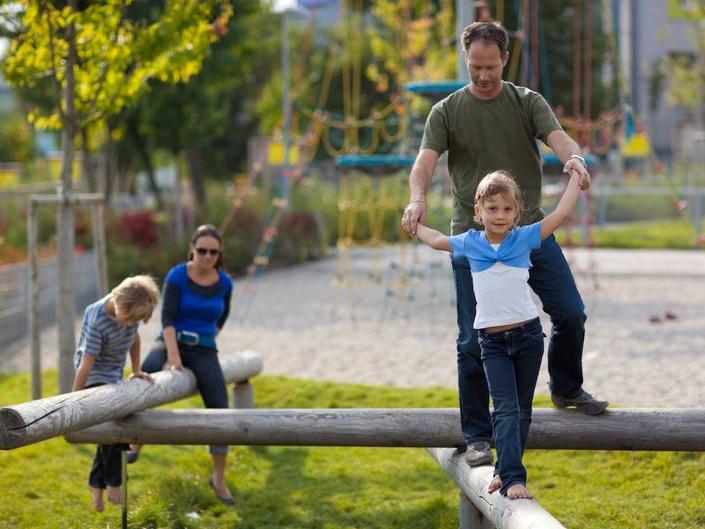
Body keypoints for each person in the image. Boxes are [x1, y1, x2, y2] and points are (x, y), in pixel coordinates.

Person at [401, 19, 608, 468]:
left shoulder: (526, 102)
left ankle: (567, 386)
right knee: (470, 341)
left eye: (490, 66)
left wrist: (573, 158)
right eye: (475, 66)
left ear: (505, 60)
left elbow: (560, 139)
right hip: (475, 242)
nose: (482, 75)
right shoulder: (447, 111)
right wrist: (417, 200)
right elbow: (424, 163)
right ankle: (477, 434)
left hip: (528, 232)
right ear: (466, 59)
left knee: (570, 313)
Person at [415, 169, 586, 499]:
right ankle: (513, 477)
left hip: (528, 338)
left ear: (516, 213)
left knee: (521, 411)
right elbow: (437, 240)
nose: (499, 215)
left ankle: (505, 470)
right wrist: (414, 221)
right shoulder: (471, 243)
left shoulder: (524, 239)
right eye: (492, 208)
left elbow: (561, 213)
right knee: (505, 409)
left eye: (507, 209)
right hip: (491, 343)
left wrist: (576, 178)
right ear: (477, 211)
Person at [127, 224, 236, 506]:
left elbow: (221, 318)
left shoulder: (225, 282)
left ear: (219, 253)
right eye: (202, 251)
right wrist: (173, 357)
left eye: (213, 252)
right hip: (170, 341)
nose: (207, 256)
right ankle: (135, 440)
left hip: (203, 348)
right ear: (192, 249)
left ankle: (219, 479)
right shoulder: (177, 275)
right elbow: (168, 319)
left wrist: (206, 340)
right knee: (143, 379)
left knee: (220, 408)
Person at [73, 275, 160, 512]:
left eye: (135, 320)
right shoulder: (98, 318)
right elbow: (86, 363)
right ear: (117, 299)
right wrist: (74, 401)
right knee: (116, 423)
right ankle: (114, 482)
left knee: (110, 432)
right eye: (127, 317)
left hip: (113, 377)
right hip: (92, 376)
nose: (129, 324)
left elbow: (135, 339)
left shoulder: (132, 312)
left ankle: (95, 487)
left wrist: (137, 370)